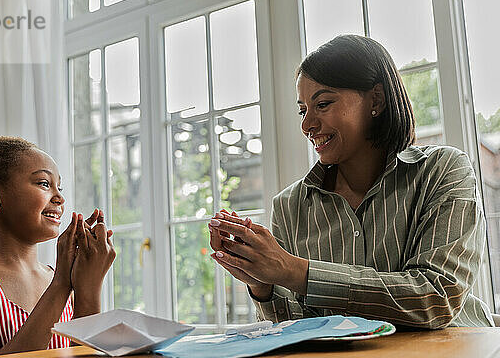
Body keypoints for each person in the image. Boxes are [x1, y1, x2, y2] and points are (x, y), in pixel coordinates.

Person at [208, 34, 493, 328]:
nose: (306, 125)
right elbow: (291, 329)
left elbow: (435, 298)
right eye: (303, 110)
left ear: (377, 100)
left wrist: (295, 271)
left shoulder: (442, 171)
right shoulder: (290, 205)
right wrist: (261, 283)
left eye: (323, 104)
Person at [0, 126, 117, 358]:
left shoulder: (55, 276)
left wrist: (88, 286)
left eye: (59, 187)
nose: (60, 198)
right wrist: (62, 283)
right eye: (43, 183)